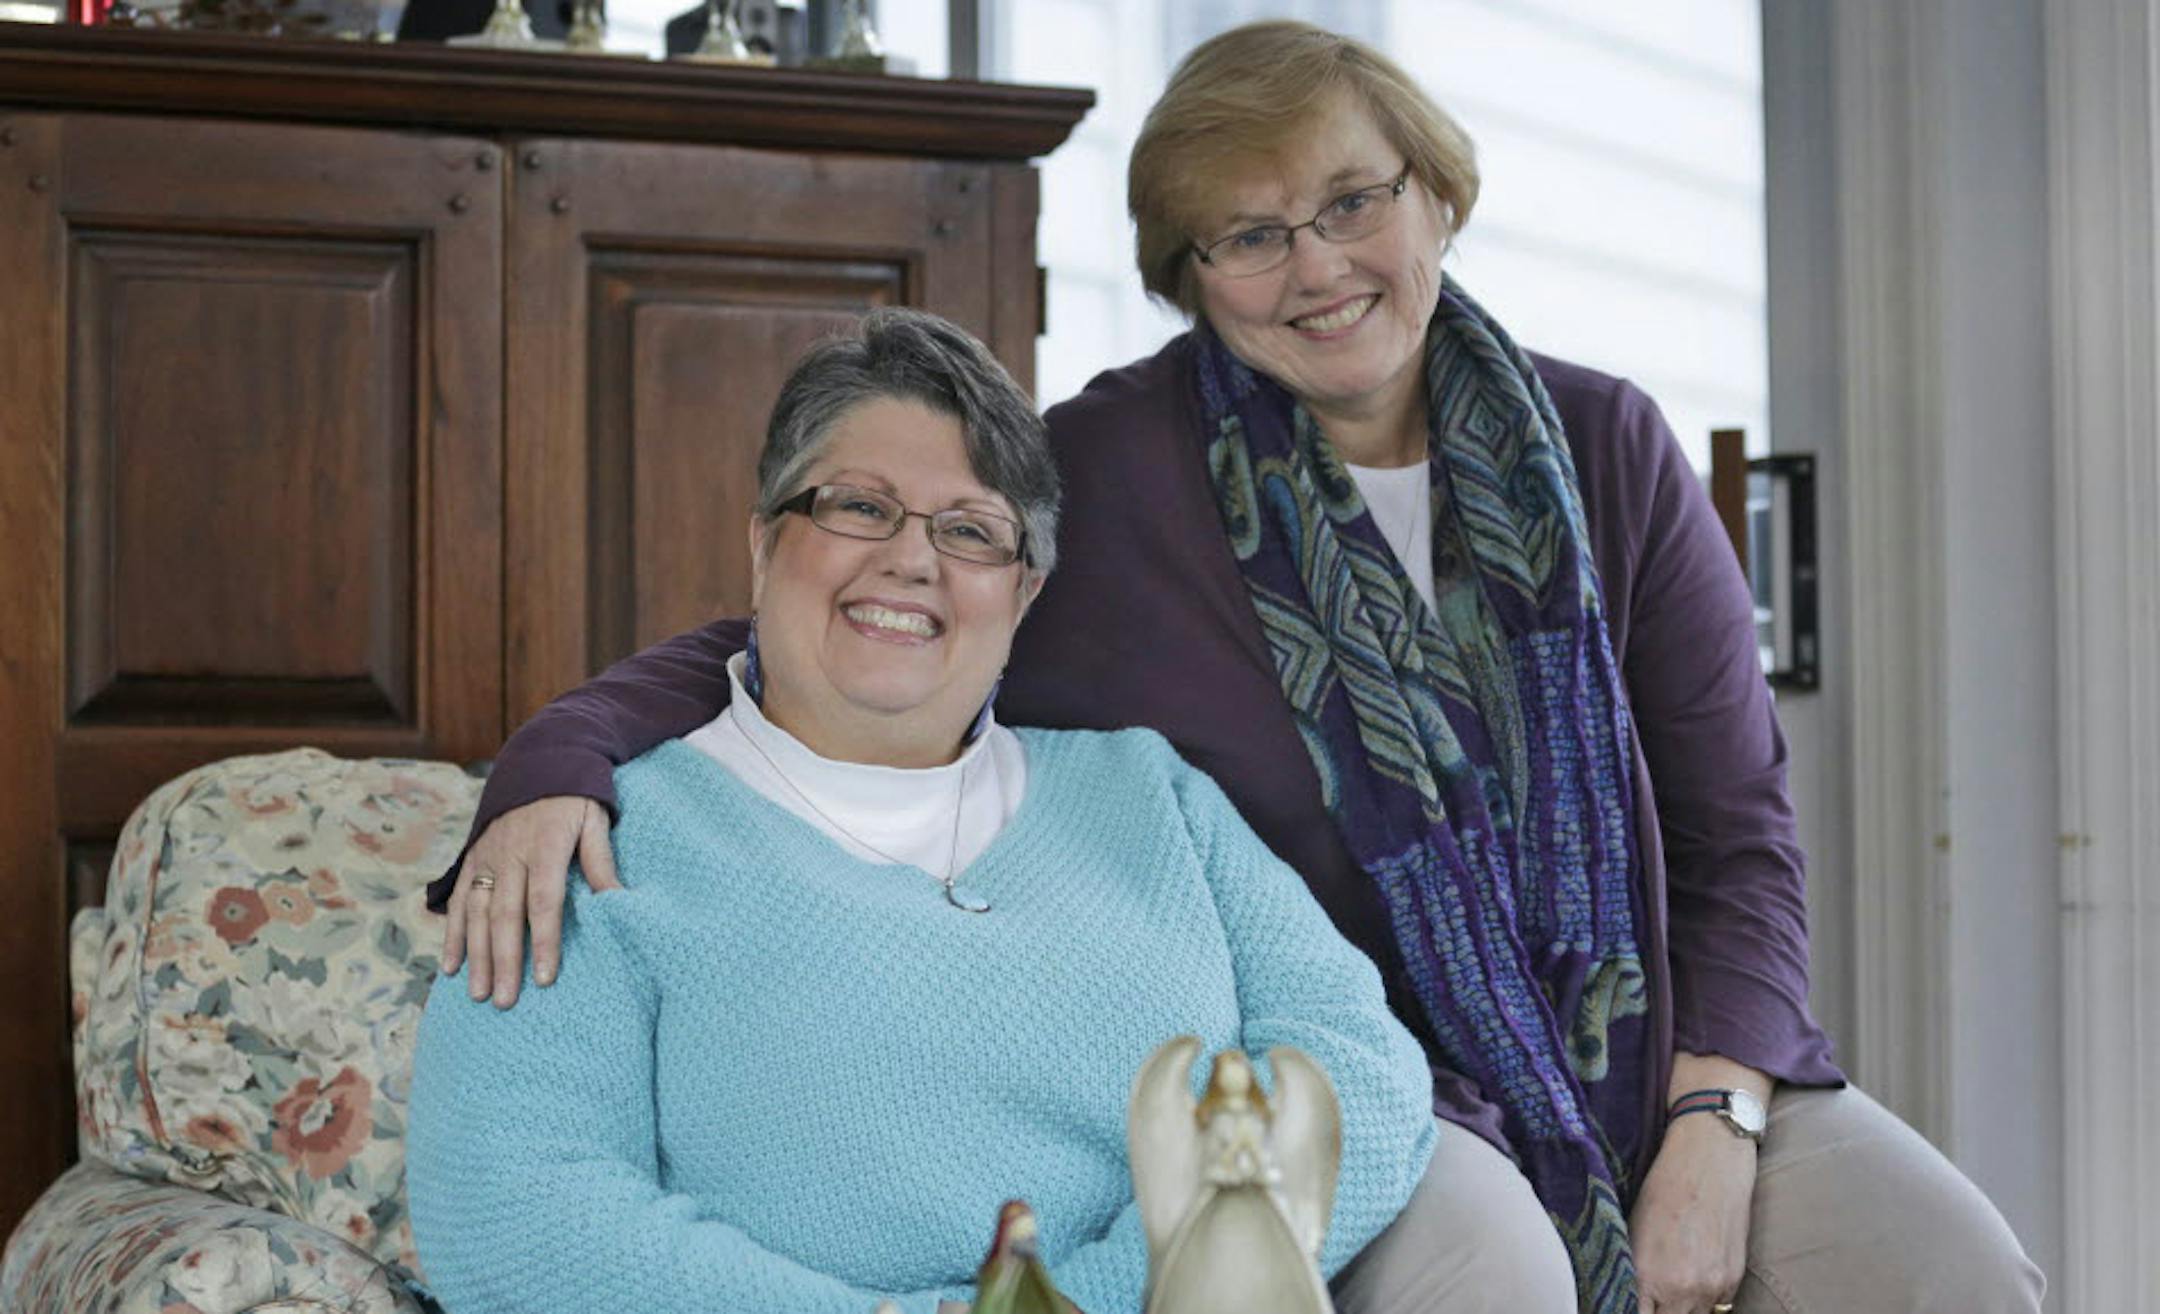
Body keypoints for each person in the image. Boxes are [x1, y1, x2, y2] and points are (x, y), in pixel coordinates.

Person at [427, 22, 2045, 1314]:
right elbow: (866, 610)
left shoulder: (1608, 446)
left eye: (1352, 202)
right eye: (1251, 234)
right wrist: (558, 758)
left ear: (1435, 193)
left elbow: (1736, 837)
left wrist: (1714, 1119)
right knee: (1501, 1271)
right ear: (1192, 272)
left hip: (1653, 1049)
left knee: (1955, 1267)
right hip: (1401, 1087)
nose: (1317, 266)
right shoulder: (1117, 473)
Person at [405, 309, 1441, 1314]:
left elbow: (1358, 1076)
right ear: (763, 543)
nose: (912, 560)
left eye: (971, 530)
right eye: (860, 507)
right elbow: (511, 1209)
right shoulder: (590, 842)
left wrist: (1076, 1304)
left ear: (1025, 593)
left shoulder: (1150, 795)